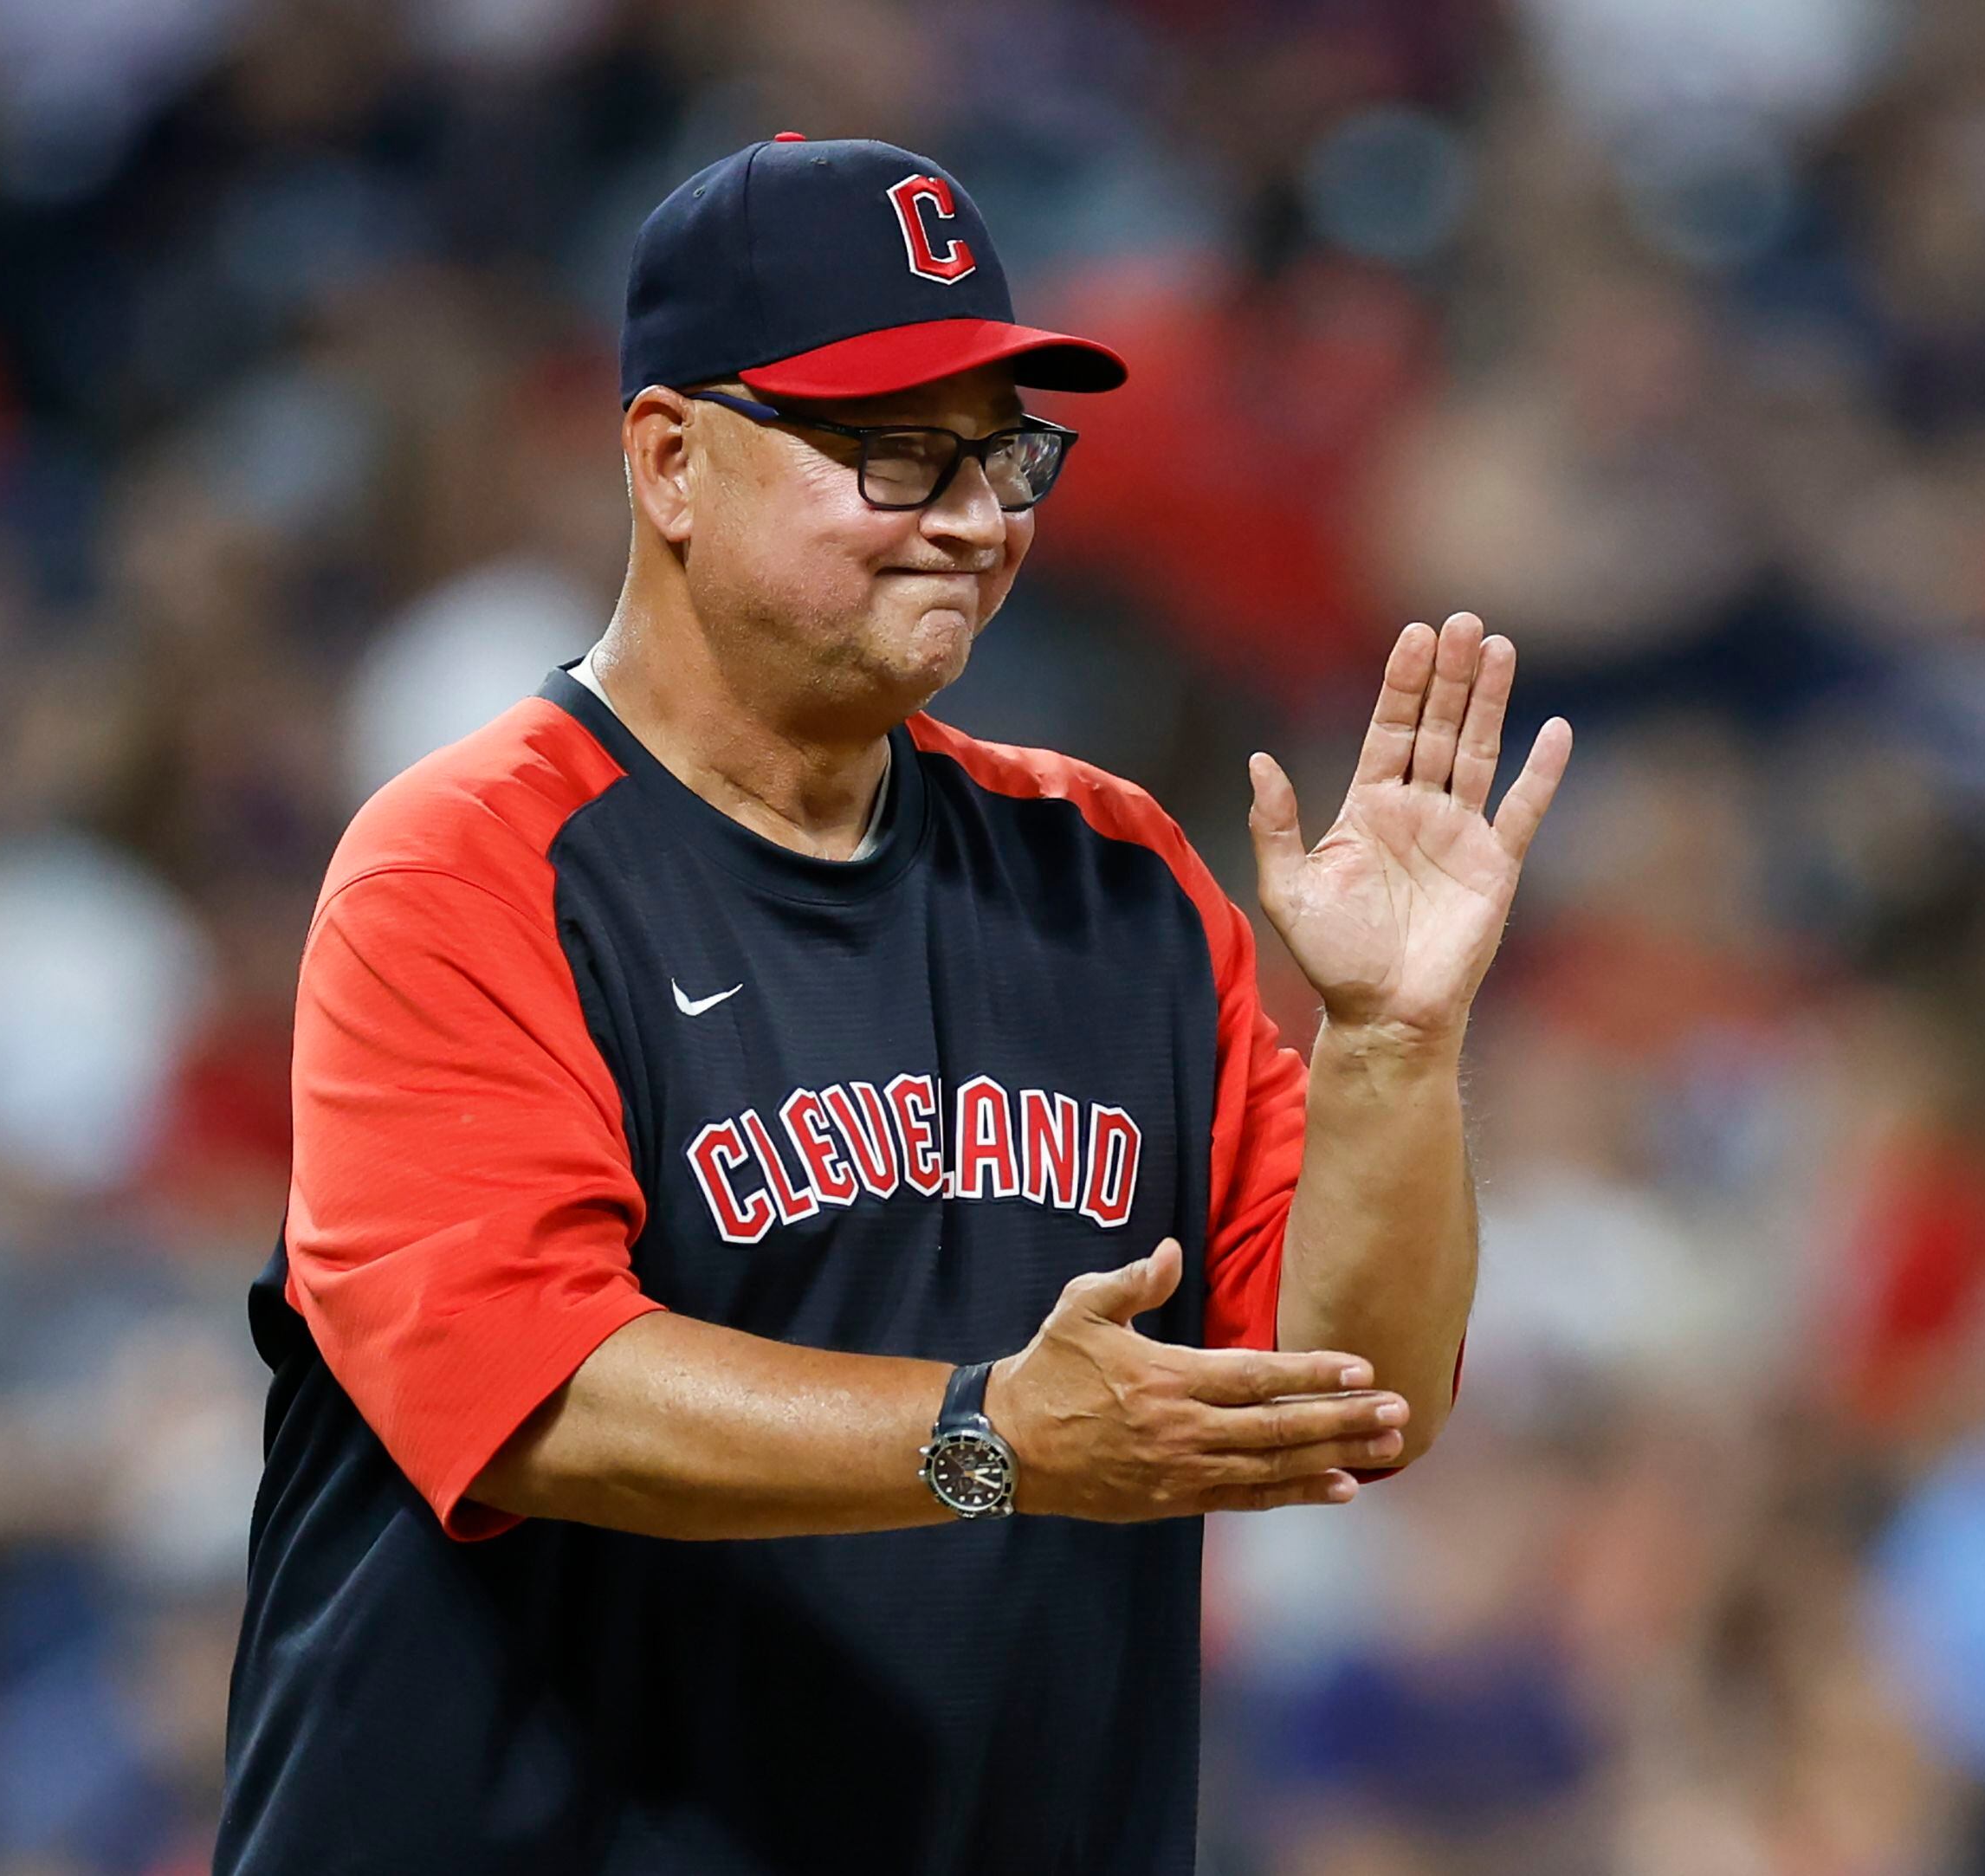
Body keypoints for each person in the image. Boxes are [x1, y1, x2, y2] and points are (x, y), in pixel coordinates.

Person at [215, 133, 1572, 1876]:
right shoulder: (470, 864)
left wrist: (1388, 1048)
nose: (976, 515)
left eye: (1002, 452)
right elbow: (538, 1398)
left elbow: (1354, 1395)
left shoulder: (1110, 876)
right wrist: (983, 1440)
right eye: (891, 449)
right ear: (670, 462)